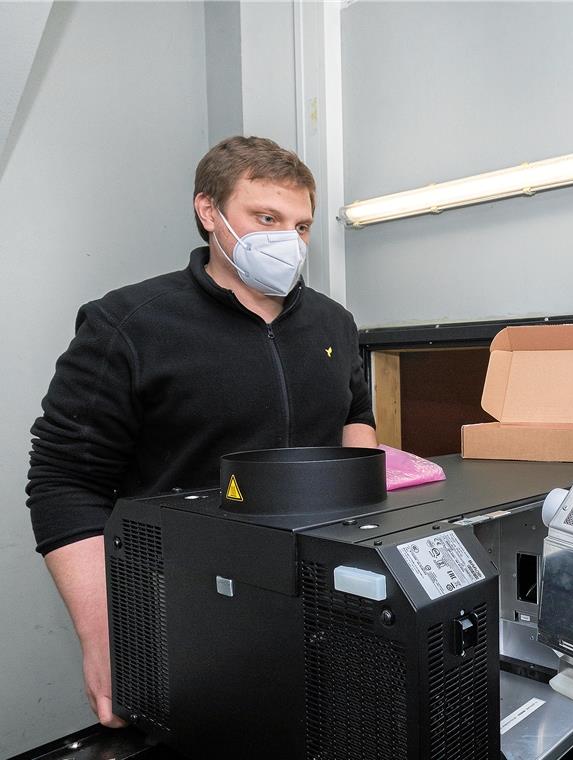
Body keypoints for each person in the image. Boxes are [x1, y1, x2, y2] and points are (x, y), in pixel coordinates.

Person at [27, 136, 377, 728]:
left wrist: (364, 533)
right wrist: (105, 636)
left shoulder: (333, 322)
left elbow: (356, 419)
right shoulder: (129, 323)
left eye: (301, 225)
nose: (287, 240)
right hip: (180, 609)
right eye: (266, 218)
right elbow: (64, 483)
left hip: (320, 602)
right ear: (209, 212)